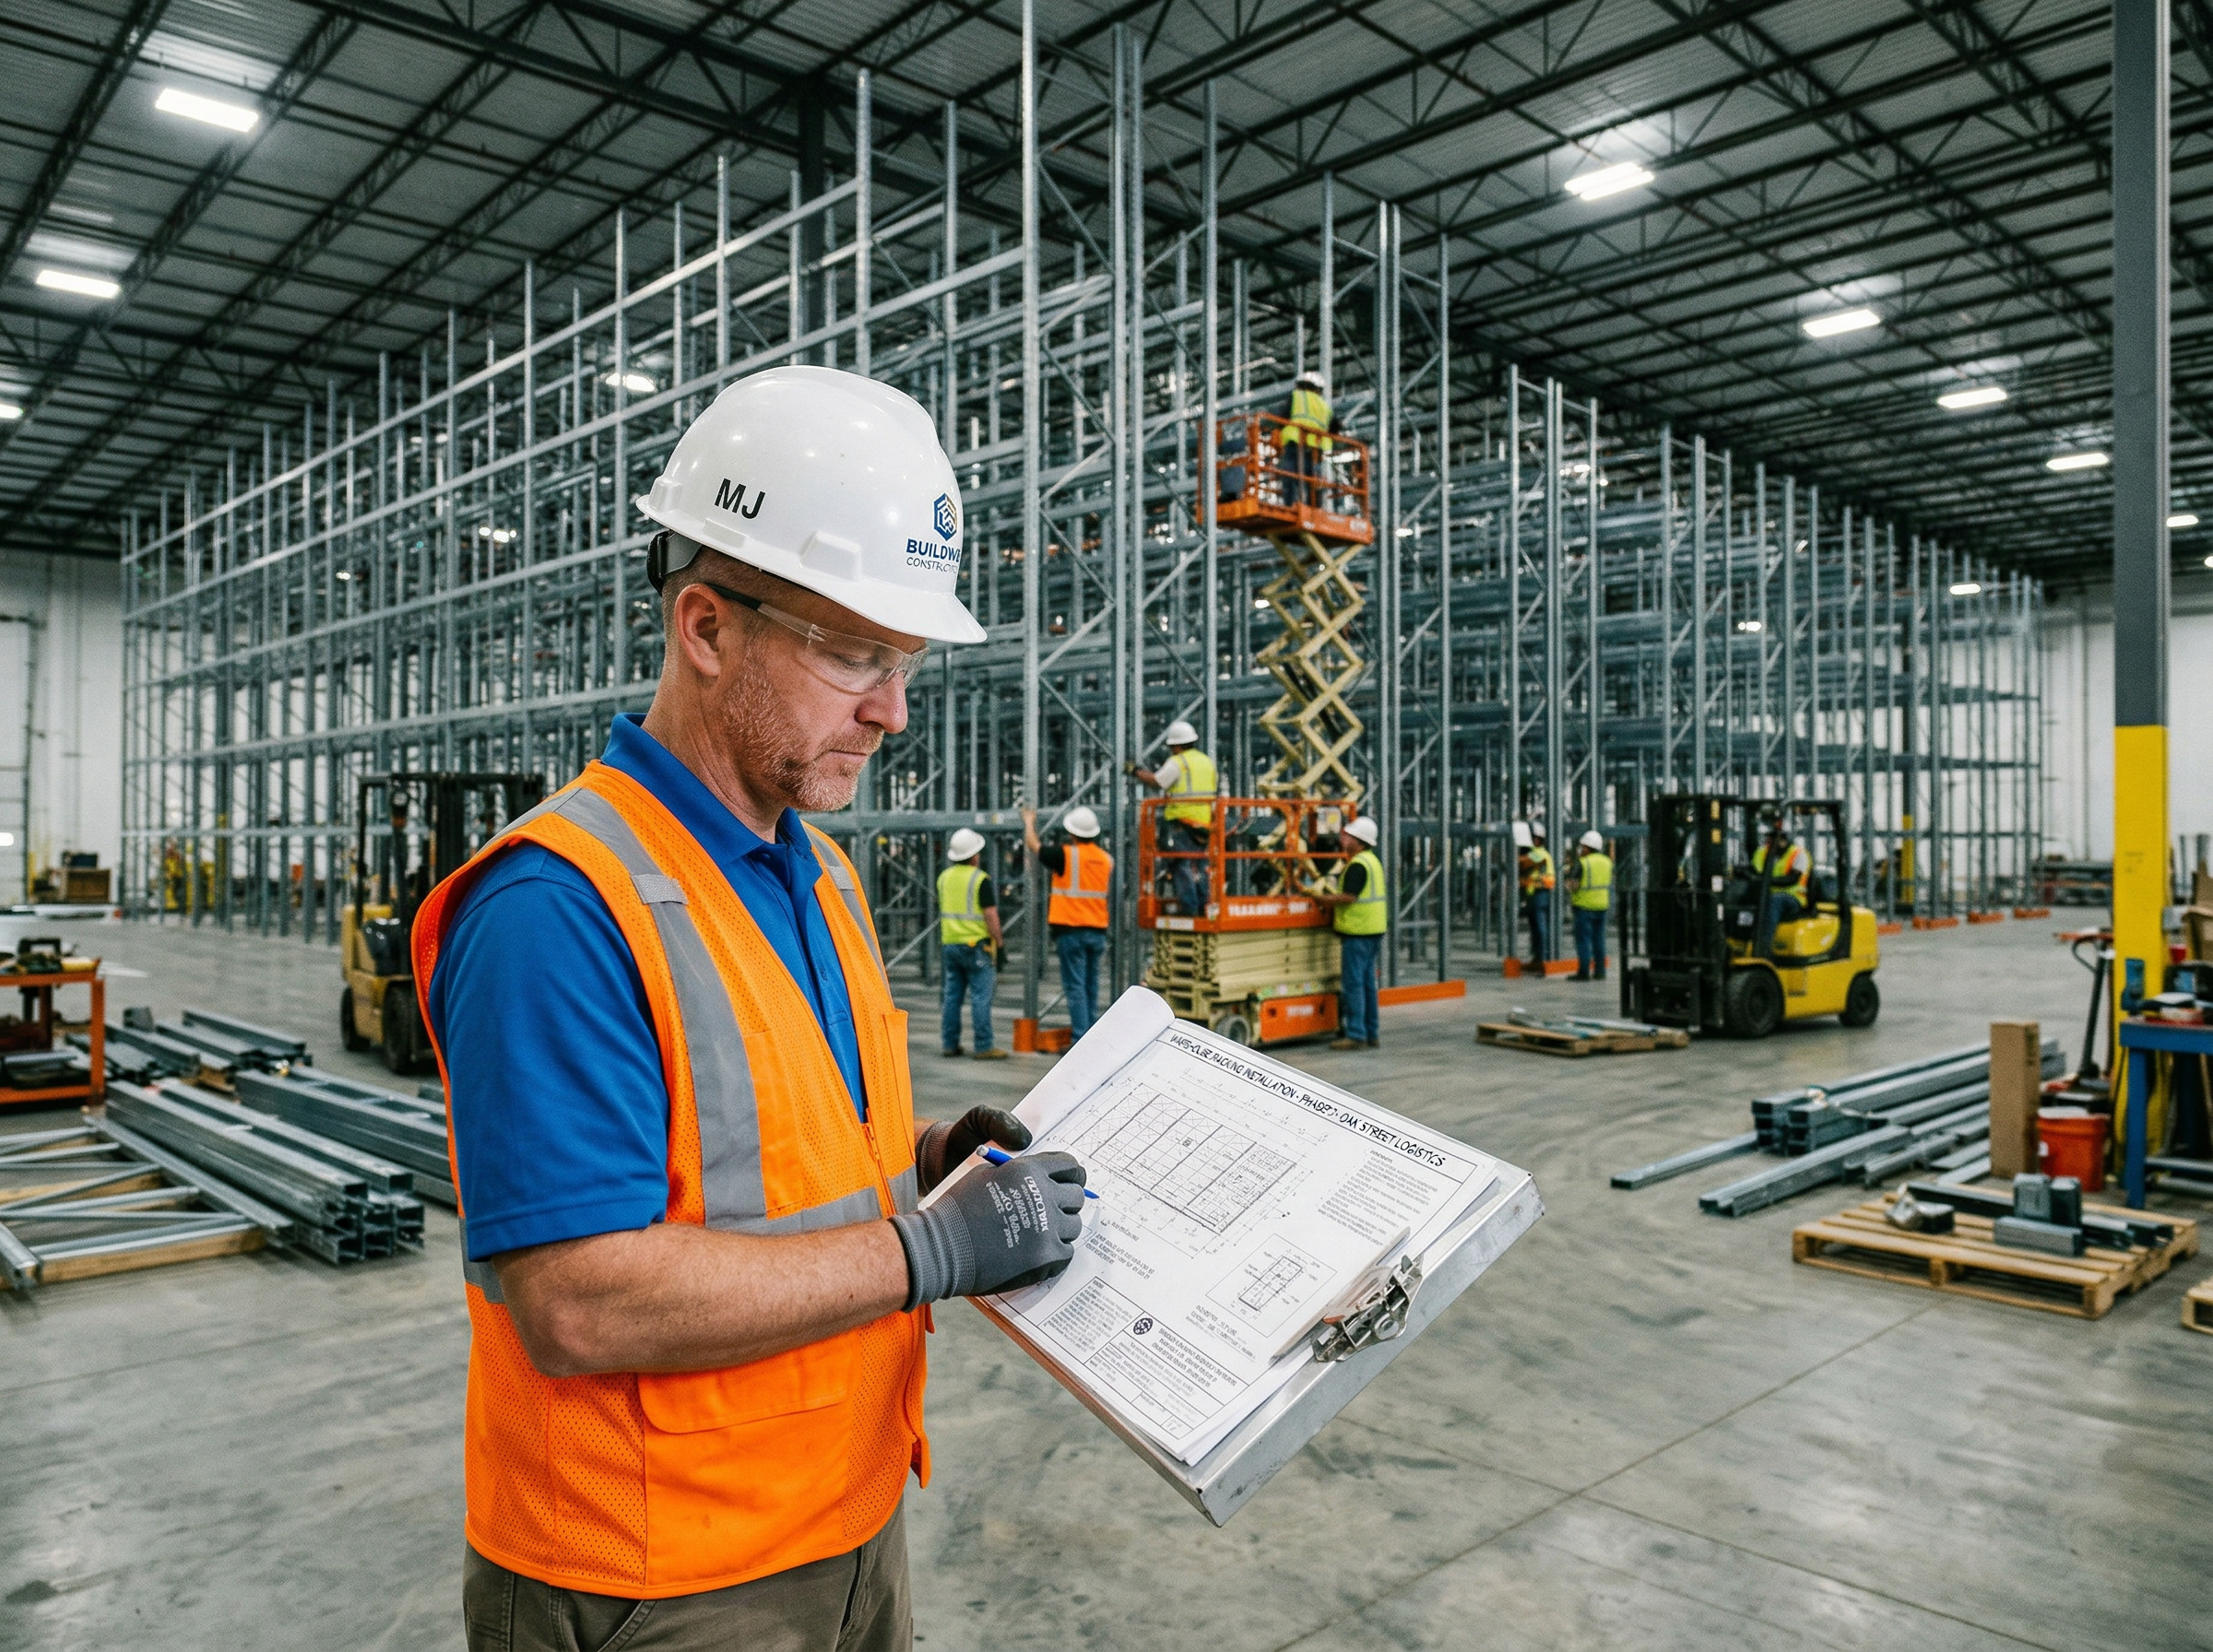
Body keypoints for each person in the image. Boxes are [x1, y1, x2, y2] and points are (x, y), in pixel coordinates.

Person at [415, 365, 1088, 1652]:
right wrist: (930, 1252)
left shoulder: (814, 873)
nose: (890, 710)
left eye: (903, 661)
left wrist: (932, 1164)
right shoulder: (559, 905)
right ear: (707, 626)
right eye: (851, 653)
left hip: (845, 1521)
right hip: (652, 1578)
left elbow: (775, 1164)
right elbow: (578, 1301)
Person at [1023, 803, 1112, 1042]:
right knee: (1092, 986)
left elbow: (1035, 846)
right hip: (1098, 932)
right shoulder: (1106, 859)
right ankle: (1092, 1038)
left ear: (1072, 833)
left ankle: (1080, 1039)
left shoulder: (1065, 855)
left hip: (1071, 932)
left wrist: (1029, 821)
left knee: (1075, 987)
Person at [1129, 720, 1216, 915]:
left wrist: (1135, 771)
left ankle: (1189, 907)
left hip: (1183, 822)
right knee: (1201, 865)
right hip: (1204, 823)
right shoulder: (1206, 761)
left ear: (1176, 745)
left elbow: (1157, 781)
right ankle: (1205, 906)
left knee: (1181, 864)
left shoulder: (1178, 762)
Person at [1318, 814, 1387, 1050]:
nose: (1343, 840)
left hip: (1358, 933)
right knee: (1368, 984)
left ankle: (1356, 1034)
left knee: (1353, 984)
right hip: (1373, 931)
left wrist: (1323, 900)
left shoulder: (1358, 864)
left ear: (1359, 840)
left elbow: (1349, 897)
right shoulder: (1372, 861)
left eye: (1348, 836)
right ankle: (1371, 1033)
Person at [938, 827, 1006, 1059]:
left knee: (952, 996)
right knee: (980, 996)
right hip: (976, 946)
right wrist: (999, 941)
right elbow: (991, 915)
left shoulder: (943, 878)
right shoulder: (980, 879)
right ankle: (984, 1045)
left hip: (950, 944)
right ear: (975, 855)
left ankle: (949, 1043)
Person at [1751, 808, 1809, 958]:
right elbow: (1754, 870)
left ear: (1785, 838)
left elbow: (1792, 880)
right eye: (1769, 838)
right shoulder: (1763, 852)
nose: (1770, 841)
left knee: (1774, 902)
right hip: (1768, 894)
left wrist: (1767, 882)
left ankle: (1764, 951)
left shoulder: (1799, 854)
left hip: (1793, 899)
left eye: (1775, 838)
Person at [1281, 370, 1340, 508]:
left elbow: (1282, 416)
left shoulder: (1295, 396)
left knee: (1289, 476)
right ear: (1319, 389)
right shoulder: (1325, 406)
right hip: (1315, 450)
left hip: (1294, 445)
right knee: (1313, 482)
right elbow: (1335, 428)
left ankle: (1289, 505)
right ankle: (1315, 509)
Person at [1570, 828, 1613, 982]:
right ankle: (1600, 972)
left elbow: (1573, 885)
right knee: (1599, 940)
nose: (1581, 849)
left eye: (1583, 846)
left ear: (1587, 847)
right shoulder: (1608, 862)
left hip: (1584, 907)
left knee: (1583, 940)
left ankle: (1584, 972)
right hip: (1602, 907)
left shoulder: (1583, 863)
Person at [1516, 820, 1555, 973]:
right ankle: (1538, 956)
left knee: (1540, 928)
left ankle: (1543, 957)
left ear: (1538, 839)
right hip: (1533, 896)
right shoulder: (1535, 852)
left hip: (1541, 895)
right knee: (1535, 928)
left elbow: (1523, 863)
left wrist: (1518, 856)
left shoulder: (1540, 854)